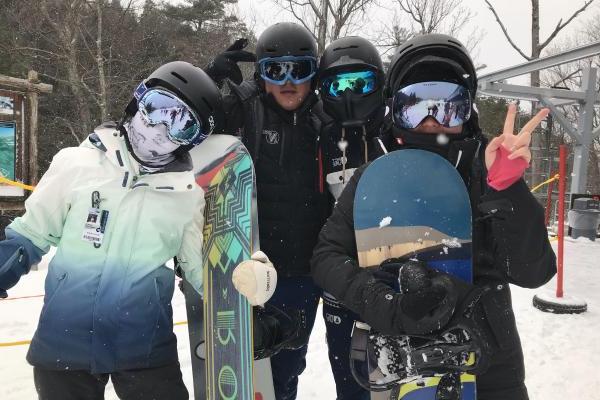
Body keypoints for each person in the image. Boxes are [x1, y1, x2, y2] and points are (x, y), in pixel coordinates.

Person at [310, 33, 557, 400]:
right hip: (399, 356)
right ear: (395, 110)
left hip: (487, 357)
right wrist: (385, 304)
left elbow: (533, 270)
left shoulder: (485, 170)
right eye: (416, 106)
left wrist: (506, 189)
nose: (431, 121)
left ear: (467, 112)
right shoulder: (375, 176)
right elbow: (327, 257)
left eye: (447, 106)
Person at [0, 61, 223, 400]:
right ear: (137, 102)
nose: (160, 129)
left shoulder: (186, 196)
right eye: (158, 109)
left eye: (182, 124)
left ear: (192, 140)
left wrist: (246, 310)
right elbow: (32, 233)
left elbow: (199, 268)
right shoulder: (76, 164)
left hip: (144, 344)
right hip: (65, 341)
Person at [205, 22, 330, 399]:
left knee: (286, 367)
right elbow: (189, 128)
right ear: (261, 75)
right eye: (276, 71)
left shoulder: (325, 121)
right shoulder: (239, 109)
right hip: (242, 266)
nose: (288, 81)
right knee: (240, 368)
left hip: (300, 273)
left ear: (314, 76)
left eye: (300, 70)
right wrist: (209, 82)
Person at [317, 36, 388, 400]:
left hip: (394, 284)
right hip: (340, 285)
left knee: (396, 382)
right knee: (351, 383)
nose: (349, 94)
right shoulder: (318, 138)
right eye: (336, 84)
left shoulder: (398, 136)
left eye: (361, 82)